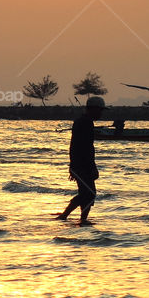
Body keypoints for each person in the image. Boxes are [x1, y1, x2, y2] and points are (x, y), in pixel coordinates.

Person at [57, 96, 106, 224]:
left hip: (79, 165)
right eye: (100, 110)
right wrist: (91, 167)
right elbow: (85, 148)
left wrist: (73, 166)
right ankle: (68, 216)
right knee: (89, 194)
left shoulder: (82, 121)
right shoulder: (85, 123)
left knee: (87, 193)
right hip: (82, 166)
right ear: (93, 109)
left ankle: (79, 219)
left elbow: (76, 146)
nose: (101, 113)